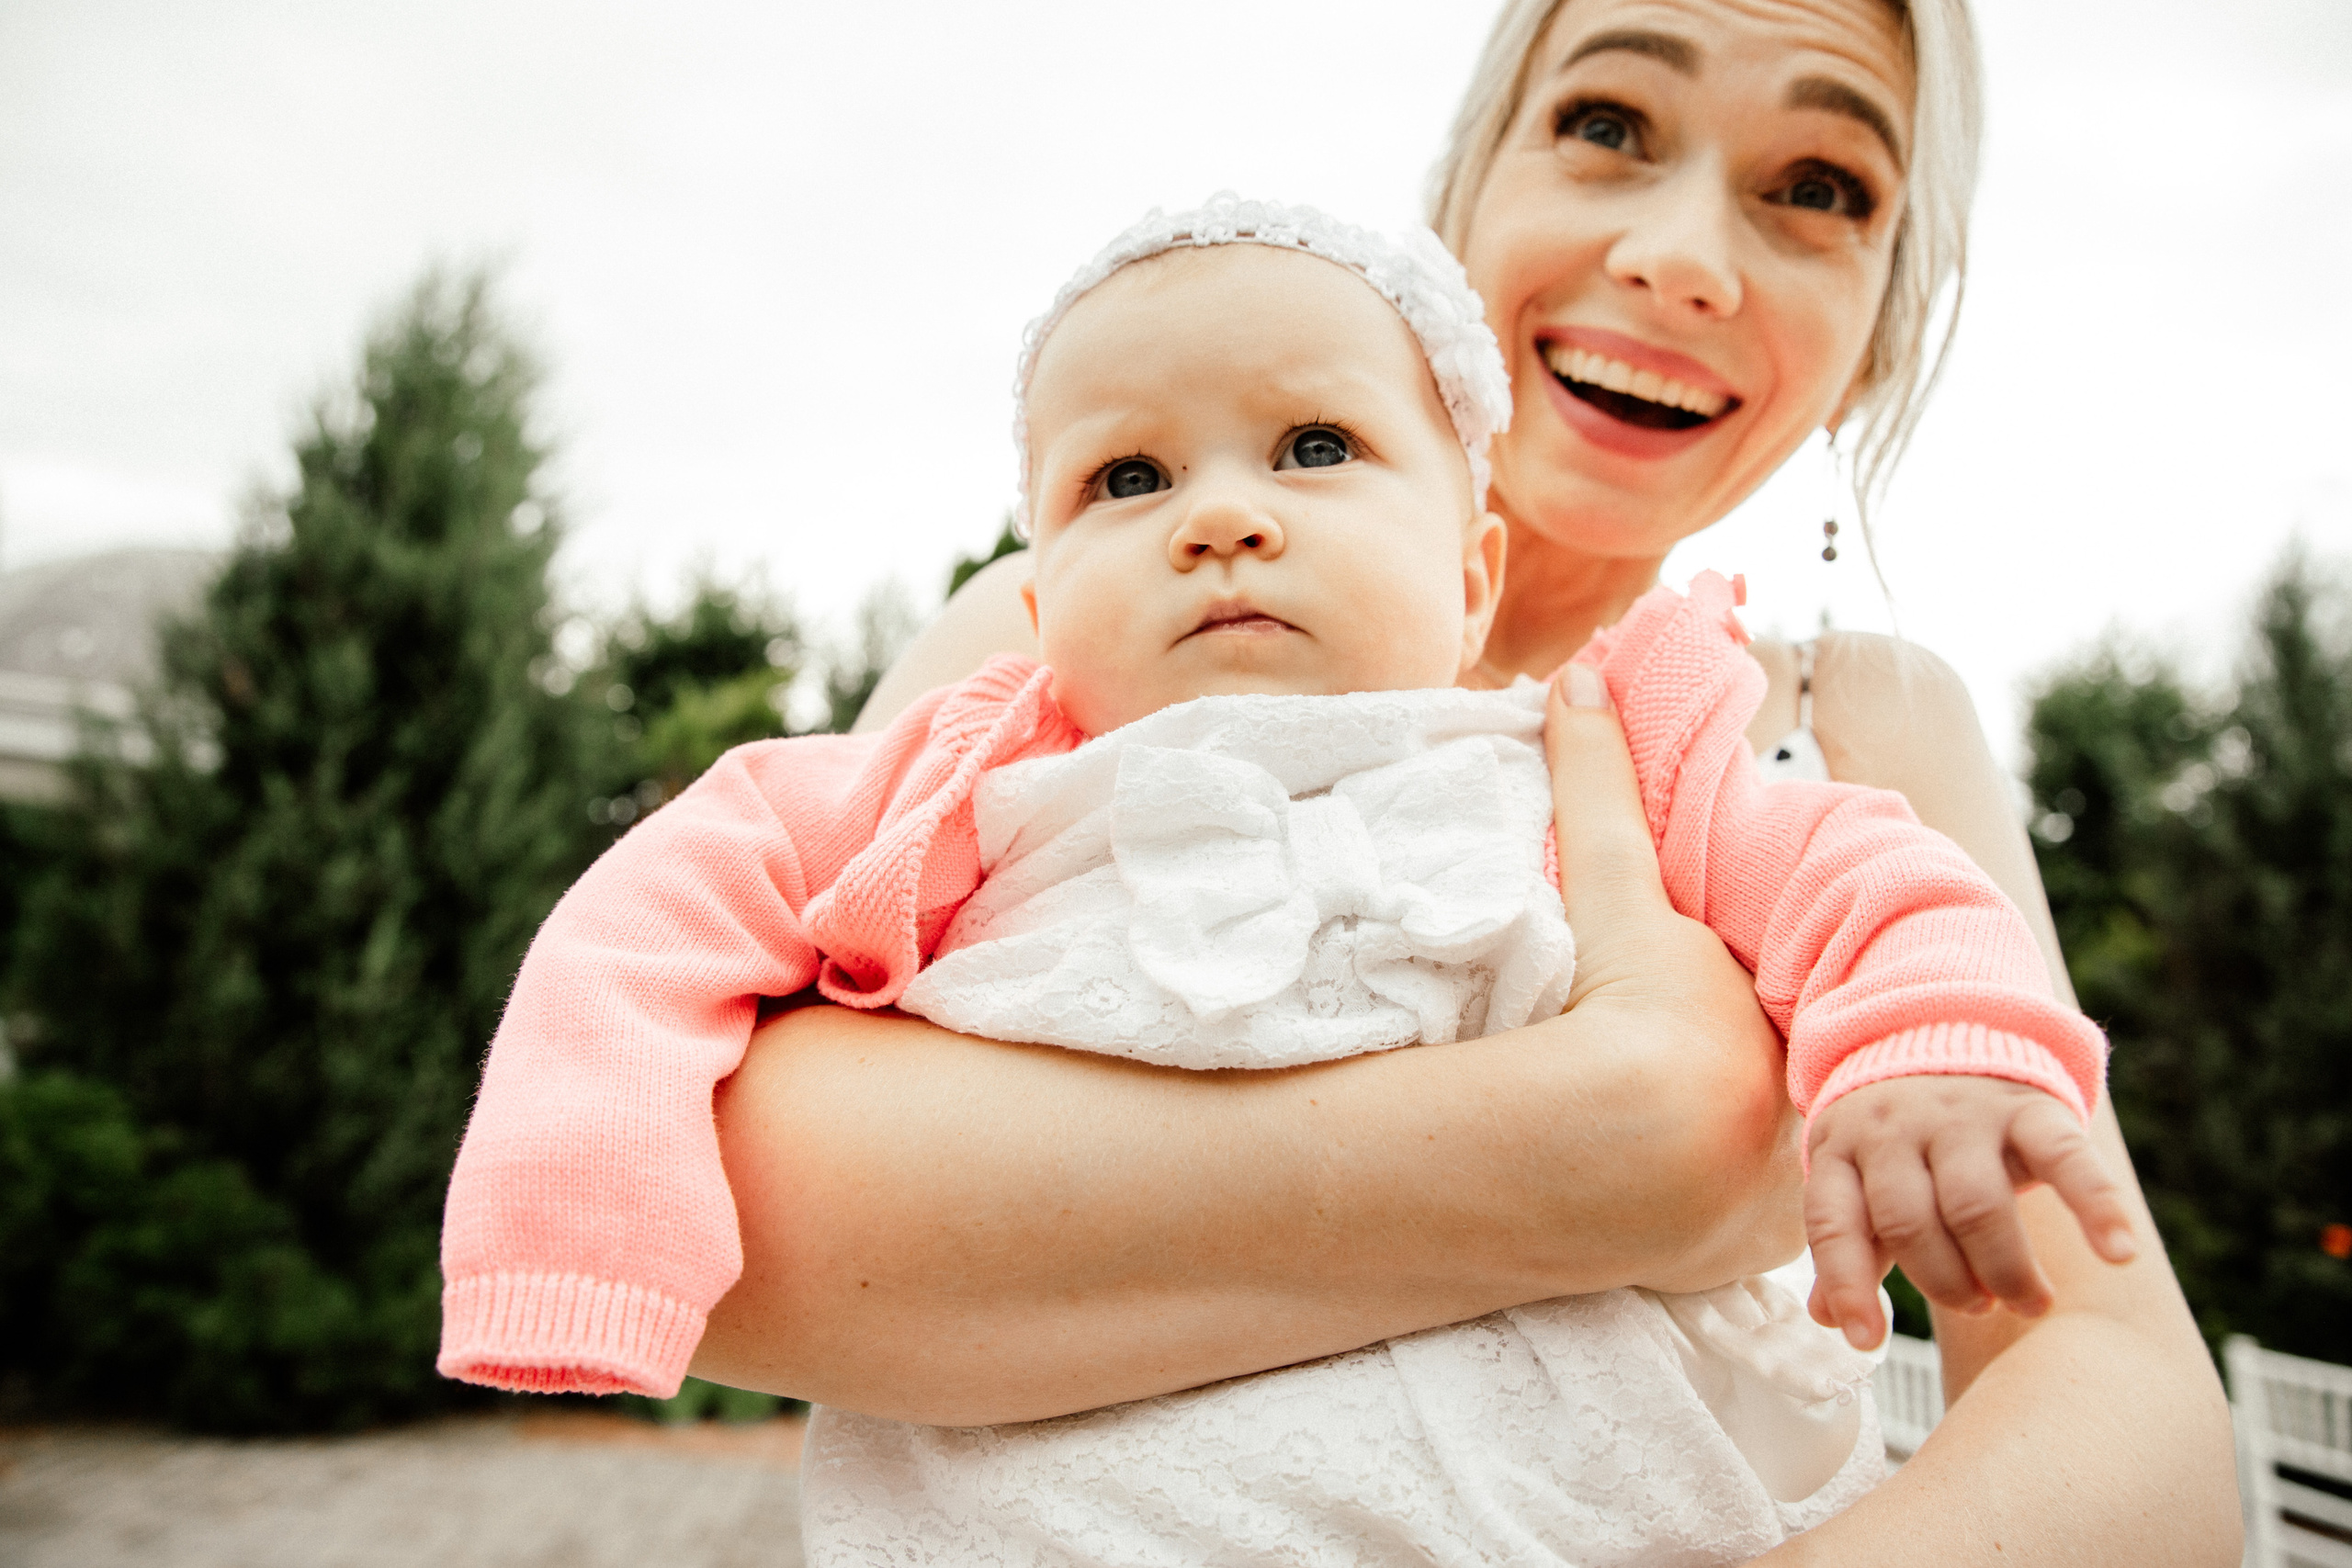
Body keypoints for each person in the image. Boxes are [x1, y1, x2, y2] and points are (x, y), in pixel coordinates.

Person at [685, 2, 2239, 1562]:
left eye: (1821, 186)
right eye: (1609, 124)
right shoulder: (1050, 667)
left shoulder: (1865, 735)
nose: (1687, 258)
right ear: (1461, 193)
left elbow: (2127, 1413)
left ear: (1872, 336)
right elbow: (711, 1211)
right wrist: (1606, 1150)